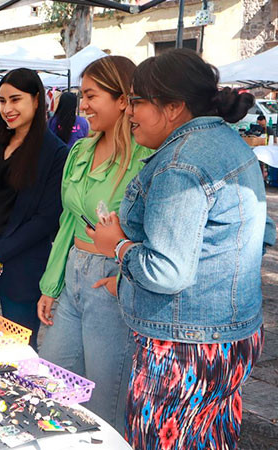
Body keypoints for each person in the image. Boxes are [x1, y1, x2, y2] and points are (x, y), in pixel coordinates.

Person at [87, 49, 267, 449]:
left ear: (172, 107)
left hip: (183, 348)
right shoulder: (231, 144)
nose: (129, 113)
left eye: (136, 101)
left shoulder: (179, 164)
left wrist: (116, 245)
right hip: (232, 337)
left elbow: (167, 272)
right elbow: (261, 232)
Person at [35, 56, 153, 433]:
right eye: (81, 95)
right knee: (51, 384)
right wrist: (51, 286)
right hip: (72, 275)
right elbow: (68, 221)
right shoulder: (80, 151)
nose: (82, 105)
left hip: (113, 283)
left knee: (104, 404)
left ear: (123, 100)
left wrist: (126, 279)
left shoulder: (147, 158)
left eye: (91, 95)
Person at [0, 68, 68, 350]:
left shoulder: (55, 153)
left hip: (21, 267)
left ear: (37, 99)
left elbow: (46, 220)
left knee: (19, 352)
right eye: (2, 101)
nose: (7, 109)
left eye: (15, 99)